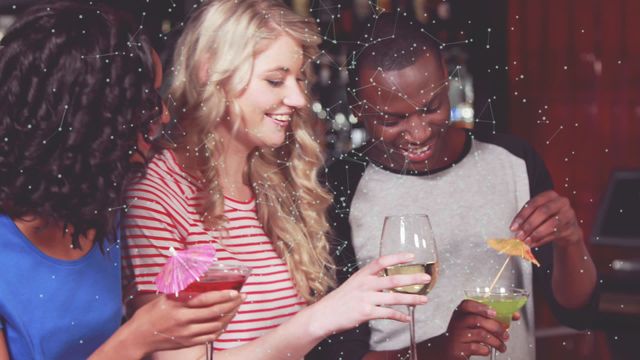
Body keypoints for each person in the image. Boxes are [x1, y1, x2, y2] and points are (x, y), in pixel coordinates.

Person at [122, 0, 431, 359]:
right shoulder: (158, 193)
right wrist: (320, 319)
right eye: (275, 80)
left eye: (298, 78)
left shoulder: (276, 179)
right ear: (211, 72)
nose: (298, 98)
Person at [310, 13, 599, 360]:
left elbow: (577, 310)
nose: (418, 133)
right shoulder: (337, 186)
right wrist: (438, 350)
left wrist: (570, 241)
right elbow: (334, 353)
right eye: (393, 119)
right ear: (359, 108)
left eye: (431, 108)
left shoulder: (514, 161)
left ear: (447, 80)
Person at [0, 2, 243, 359]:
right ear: (90, 116)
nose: (162, 114)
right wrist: (138, 338)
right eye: (146, 99)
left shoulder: (103, 214)